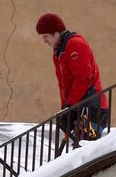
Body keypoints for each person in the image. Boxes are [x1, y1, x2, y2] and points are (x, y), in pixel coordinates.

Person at [36, 12, 108, 148]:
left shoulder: (75, 44)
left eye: (46, 36)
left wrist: (70, 105)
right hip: (79, 107)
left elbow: (83, 78)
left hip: (92, 107)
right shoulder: (58, 53)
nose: (44, 40)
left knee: (85, 152)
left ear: (56, 32)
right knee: (79, 151)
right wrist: (66, 109)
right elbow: (63, 85)